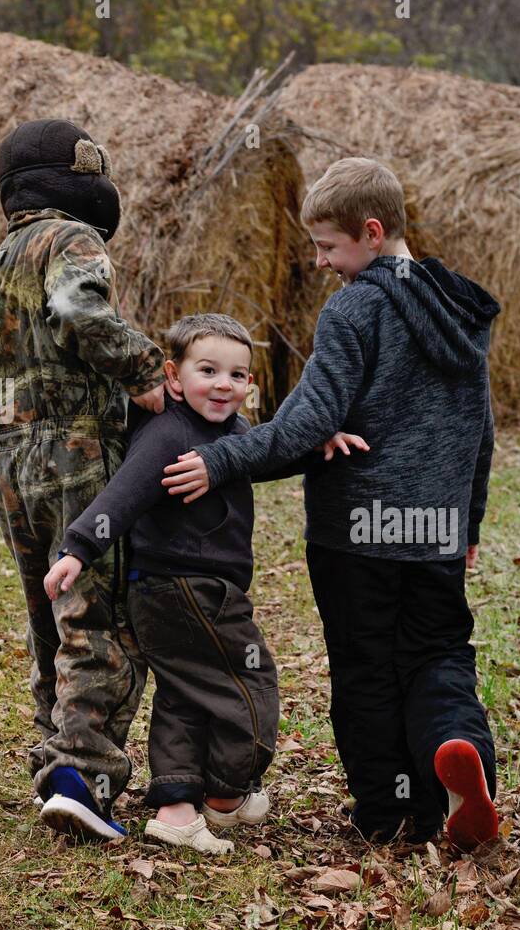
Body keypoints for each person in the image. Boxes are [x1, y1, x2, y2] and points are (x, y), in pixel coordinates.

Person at [161, 157, 502, 850]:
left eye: (327, 246)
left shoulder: (355, 307)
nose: (319, 263)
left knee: (365, 667)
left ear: (371, 233)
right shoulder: (461, 306)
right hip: (435, 528)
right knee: (439, 654)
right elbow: (481, 428)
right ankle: (458, 763)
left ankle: (388, 813)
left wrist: (221, 459)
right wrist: (469, 518)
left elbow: (307, 423)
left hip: (358, 534)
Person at [44, 313, 365, 854]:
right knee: (253, 686)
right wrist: (77, 547)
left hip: (163, 593)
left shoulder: (226, 432)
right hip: (192, 590)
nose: (224, 385)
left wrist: (317, 444)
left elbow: (263, 453)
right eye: (209, 370)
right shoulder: (169, 432)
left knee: (184, 696)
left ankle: (176, 809)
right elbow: (124, 495)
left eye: (238, 376)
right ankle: (226, 795)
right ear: (173, 377)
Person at [0, 118, 167, 843]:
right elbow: (81, 310)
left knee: (46, 612)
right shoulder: (71, 240)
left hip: (4, 458)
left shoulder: (4, 255)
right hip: (72, 451)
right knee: (99, 616)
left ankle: (52, 759)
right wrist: (148, 373)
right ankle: (83, 774)